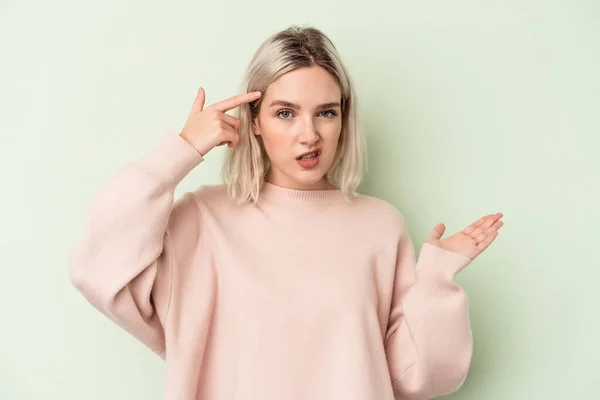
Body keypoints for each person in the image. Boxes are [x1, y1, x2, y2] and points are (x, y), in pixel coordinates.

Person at [69, 25, 504, 400]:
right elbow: (97, 268)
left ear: (343, 119)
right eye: (285, 113)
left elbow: (419, 377)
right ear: (254, 121)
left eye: (326, 113)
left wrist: (436, 281)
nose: (309, 135)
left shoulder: (380, 226)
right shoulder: (203, 219)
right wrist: (181, 151)